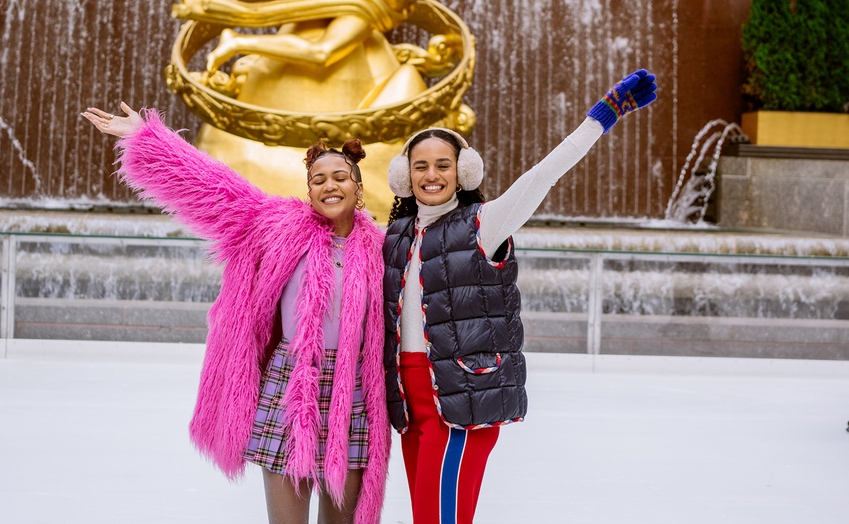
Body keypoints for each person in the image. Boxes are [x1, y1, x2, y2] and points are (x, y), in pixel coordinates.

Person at [81, 103, 390, 524]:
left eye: (340, 177)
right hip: (288, 383)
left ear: (358, 188)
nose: (329, 186)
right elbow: (211, 187)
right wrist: (148, 138)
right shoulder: (276, 227)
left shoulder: (383, 247)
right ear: (309, 190)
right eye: (318, 179)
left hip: (351, 392)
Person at [381, 69, 658, 524]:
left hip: (462, 402)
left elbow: (542, 175)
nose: (432, 175)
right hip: (411, 406)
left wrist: (601, 118)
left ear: (463, 171)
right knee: (428, 516)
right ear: (404, 175)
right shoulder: (393, 237)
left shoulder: (483, 224)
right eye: (421, 166)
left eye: (443, 165)